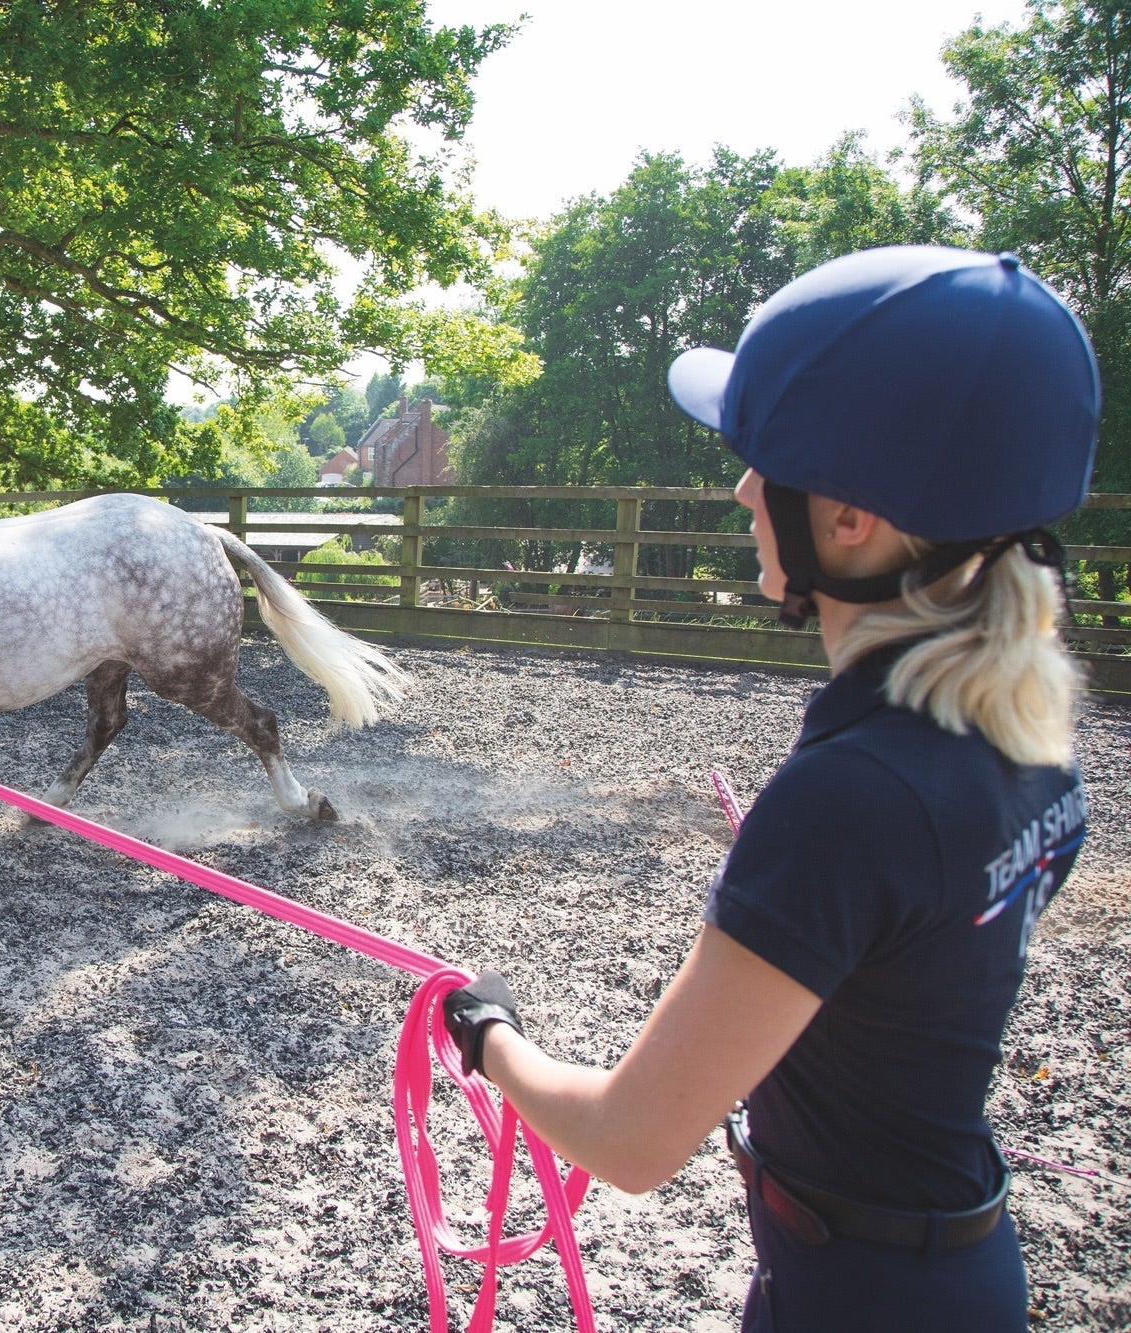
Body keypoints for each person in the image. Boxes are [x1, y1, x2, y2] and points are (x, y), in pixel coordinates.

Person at [442, 245, 1097, 1332]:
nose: (742, 487)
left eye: (763, 461)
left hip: (851, 1296)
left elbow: (629, 1140)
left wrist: (489, 1035)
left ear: (848, 517)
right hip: (939, 1270)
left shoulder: (851, 798)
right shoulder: (1022, 730)